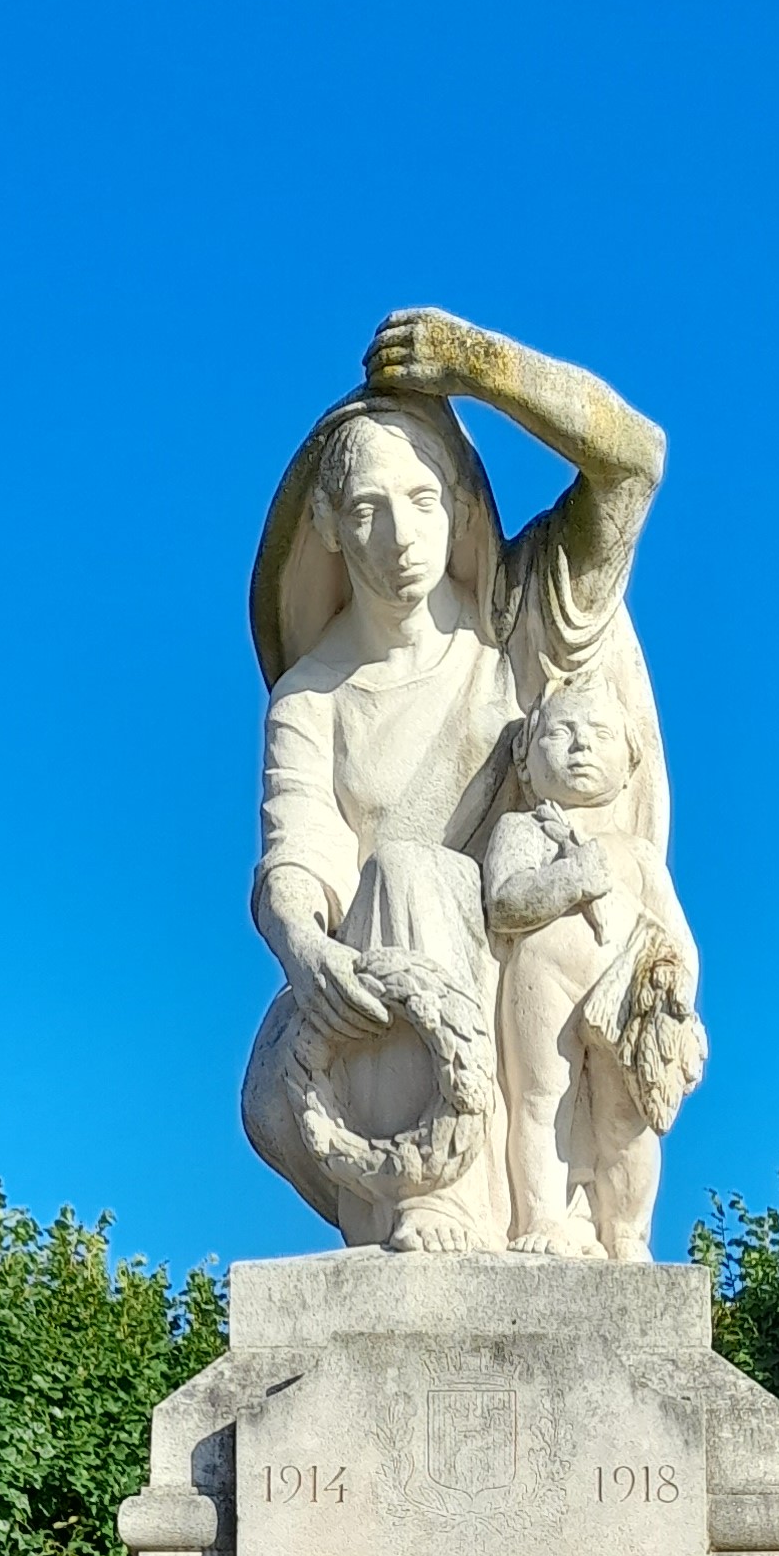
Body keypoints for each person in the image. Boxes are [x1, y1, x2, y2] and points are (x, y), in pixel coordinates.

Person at [241, 312, 673, 1253]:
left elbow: (633, 465)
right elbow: (296, 855)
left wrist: (483, 369)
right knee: (399, 874)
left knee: (412, 869)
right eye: (366, 509)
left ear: (463, 504)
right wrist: (305, 952)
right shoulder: (311, 699)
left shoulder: (517, 623)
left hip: (524, 989)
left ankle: (459, 1202)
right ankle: (427, 1194)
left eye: (423, 499)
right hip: (377, 1006)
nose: (399, 535)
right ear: (326, 525)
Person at [484, 659, 704, 1260]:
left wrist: (679, 995)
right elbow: (504, 902)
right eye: (563, 733)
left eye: (600, 735)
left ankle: (626, 1231)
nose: (581, 746)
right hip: (542, 977)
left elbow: (679, 939)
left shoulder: (637, 855)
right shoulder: (522, 830)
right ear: (526, 759)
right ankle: (543, 1217)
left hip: (626, 988)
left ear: (630, 761)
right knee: (539, 1099)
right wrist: (572, 878)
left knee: (625, 1115)